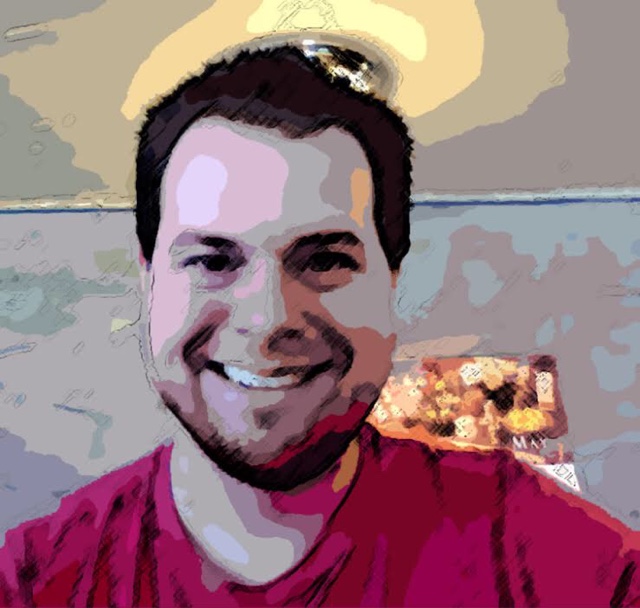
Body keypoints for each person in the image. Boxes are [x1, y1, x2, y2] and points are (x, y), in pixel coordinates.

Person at [0, 44, 638, 607]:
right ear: (148, 280)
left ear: (390, 281)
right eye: (213, 260)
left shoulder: (530, 546)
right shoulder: (36, 578)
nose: (267, 321)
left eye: (326, 260)